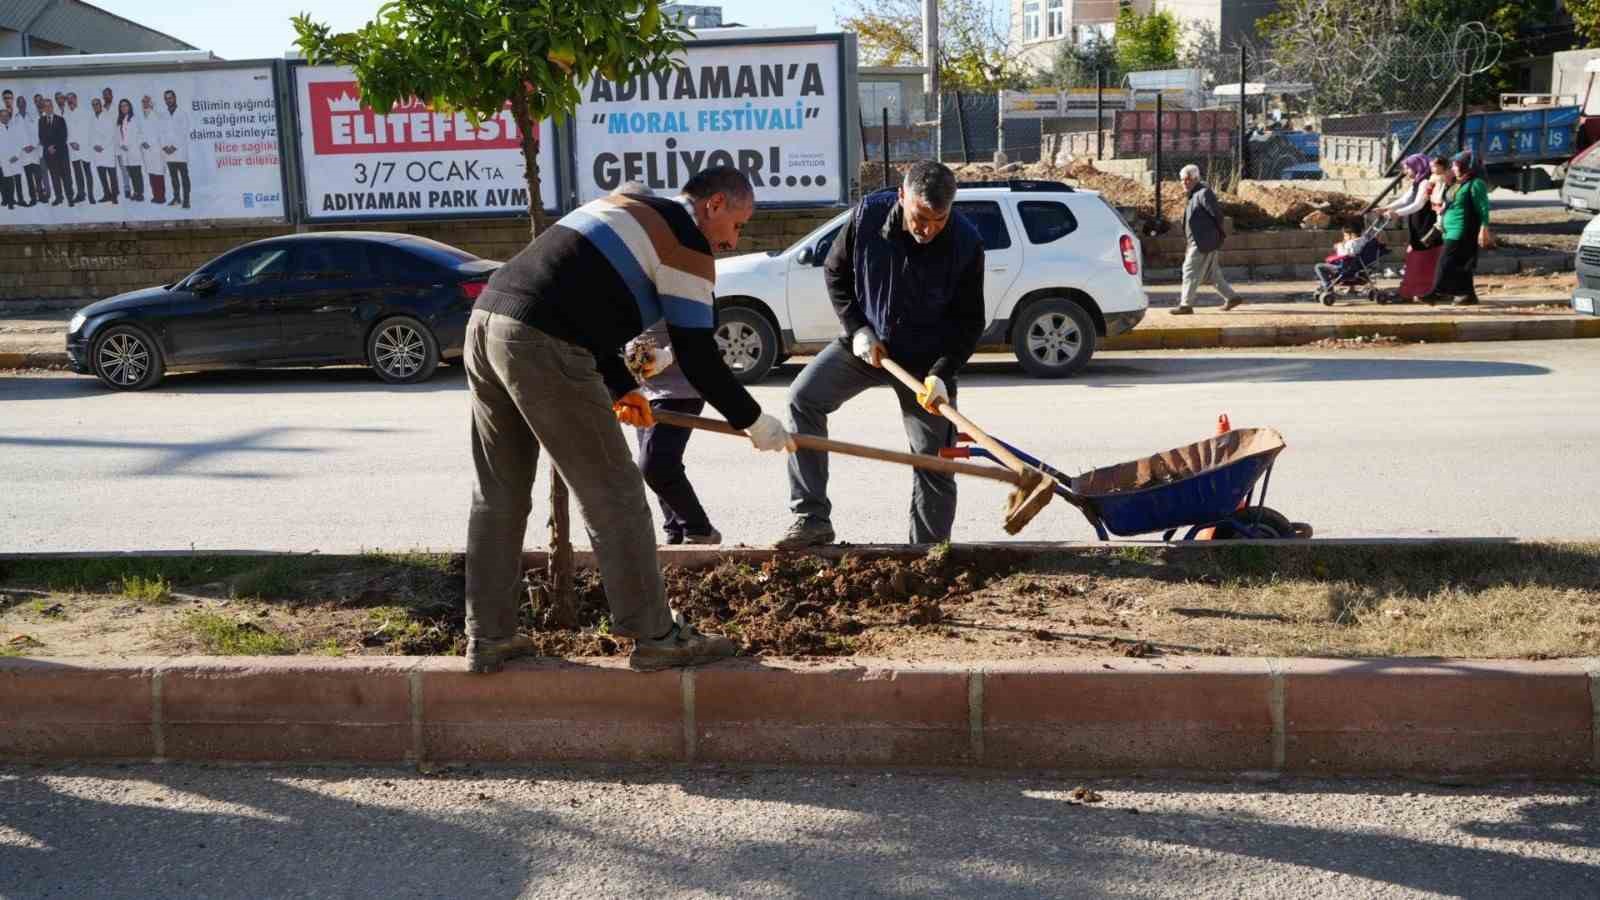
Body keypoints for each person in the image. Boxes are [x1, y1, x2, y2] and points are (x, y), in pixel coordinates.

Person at [463, 166, 794, 674]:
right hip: (541, 344)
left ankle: (488, 638)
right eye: (738, 224)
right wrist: (754, 420)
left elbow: (581, 298)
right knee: (615, 493)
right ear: (715, 205)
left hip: (488, 323)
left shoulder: (629, 208)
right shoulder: (685, 243)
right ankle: (656, 635)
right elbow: (697, 356)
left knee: (499, 492)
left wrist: (622, 386)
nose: (734, 241)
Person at [776, 160, 984, 549]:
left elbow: (970, 322)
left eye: (939, 221)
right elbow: (835, 272)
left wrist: (941, 372)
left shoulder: (966, 243)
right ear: (902, 196)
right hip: (870, 346)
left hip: (926, 366)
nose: (928, 230)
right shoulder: (868, 216)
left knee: (935, 459)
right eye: (921, 218)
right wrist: (857, 329)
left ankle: (927, 552)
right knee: (803, 399)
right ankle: (811, 520)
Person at [612, 182, 723, 546]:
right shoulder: (623, 261)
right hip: (646, 385)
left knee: (656, 464)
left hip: (682, 384)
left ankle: (699, 529)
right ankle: (676, 532)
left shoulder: (679, 252)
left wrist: (669, 355)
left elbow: (705, 320)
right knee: (656, 464)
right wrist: (630, 354)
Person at [1170, 163, 1243, 315]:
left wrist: (1212, 237)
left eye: (1187, 179)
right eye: (1182, 180)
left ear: (1195, 178)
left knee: (1189, 270)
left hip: (1202, 243)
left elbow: (1217, 216)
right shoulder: (1194, 195)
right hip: (1199, 242)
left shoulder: (1203, 193)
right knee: (1212, 275)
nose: (1184, 182)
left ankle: (1186, 305)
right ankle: (1232, 297)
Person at [1374, 153, 1442, 302]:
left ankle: (1413, 291)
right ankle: (1416, 290)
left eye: (1408, 168)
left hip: (1425, 222)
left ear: (1417, 167)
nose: (1406, 172)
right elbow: (1405, 199)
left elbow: (1418, 204)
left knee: (1420, 256)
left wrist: (1397, 214)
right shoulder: (1418, 181)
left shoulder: (1426, 182)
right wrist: (1386, 208)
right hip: (1417, 222)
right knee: (1418, 255)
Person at [1431, 149, 1493, 307]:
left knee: (1446, 261)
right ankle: (1467, 295)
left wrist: (1484, 228)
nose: (1453, 167)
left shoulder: (1475, 183)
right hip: (1450, 228)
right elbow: (1447, 201)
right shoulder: (1458, 183)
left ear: (1467, 166)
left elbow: (1483, 208)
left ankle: (1436, 292)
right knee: (1462, 263)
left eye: (1456, 165)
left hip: (1463, 228)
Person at [37, 97, 74, 208]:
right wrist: (48, 147)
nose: (48, 108)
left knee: (66, 177)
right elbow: (41, 136)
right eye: (45, 106)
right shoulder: (41, 120)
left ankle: (70, 198)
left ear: (53, 107)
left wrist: (54, 147)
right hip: (49, 154)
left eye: (50, 106)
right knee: (54, 177)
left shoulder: (60, 119)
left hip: (61, 153)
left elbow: (64, 136)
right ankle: (59, 197)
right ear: (43, 108)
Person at [1313, 223, 1371, 291]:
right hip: (1355, 266)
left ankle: (1327, 285)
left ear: (1352, 235)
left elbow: (1346, 255)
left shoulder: (1352, 243)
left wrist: (1339, 246)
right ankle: (1350, 288)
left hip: (1345, 267)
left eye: (1345, 235)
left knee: (1318, 266)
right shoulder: (1363, 240)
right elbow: (1364, 238)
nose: (1344, 238)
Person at [161, 89, 191, 209]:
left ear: (175, 98)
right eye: (166, 98)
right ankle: (177, 198)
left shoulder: (182, 114)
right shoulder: (163, 115)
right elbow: (161, 132)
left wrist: (174, 147)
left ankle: (186, 200)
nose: (169, 100)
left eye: (170, 98)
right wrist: (164, 147)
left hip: (180, 151)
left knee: (184, 177)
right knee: (173, 177)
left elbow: (184, 133)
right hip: (168, 152)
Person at [64, 92, 93, 204]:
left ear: (76, 99)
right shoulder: (65, 115)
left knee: (87, 171)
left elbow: (88, 130)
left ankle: (91, 195)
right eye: (68, 99)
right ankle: (81, 194)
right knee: (77, 172)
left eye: (72, 98)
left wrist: (81, 143)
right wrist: (71, 142)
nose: (70, 101)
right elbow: (65, 131)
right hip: (72, 147)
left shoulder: (85, 112)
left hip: (84, 146)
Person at [89, 97, 118, 205]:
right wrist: (94, 145)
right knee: (102, 175)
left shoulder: (108, 116)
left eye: (97, 104)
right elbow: (90, 134)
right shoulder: (92, 118)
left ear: (101, 105)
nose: (95, 106)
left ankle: (114, 196)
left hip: (107, 149)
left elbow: (111, 134)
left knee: (112, 176)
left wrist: (102, 146)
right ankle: (107, 194)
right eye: (93, 104)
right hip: (97, 151)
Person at [115, 98, 145, 202]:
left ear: (129, 107)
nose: (124, 107)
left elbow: (139, 134)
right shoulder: (121, 120)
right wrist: (122, 145)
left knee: (136, 172)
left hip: (134, 150)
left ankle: (140, 194)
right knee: (131, 173)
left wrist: (130, 145)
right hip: (125, 151)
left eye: (125, 105)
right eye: (122, 106)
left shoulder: (134, 119)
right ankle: (136, 192)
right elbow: (119, 136)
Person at [139, 95, 165, 204]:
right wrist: (142, 142)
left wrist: (149, 143)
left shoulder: (156, 116)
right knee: (151, 173)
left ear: (151, 103)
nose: (145, 103)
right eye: (143, 101)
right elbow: (139, 132)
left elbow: (159, 133)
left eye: (147, 101)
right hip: (146, 150)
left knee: (158, 173)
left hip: (155, 149)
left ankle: (161, 197)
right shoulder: (141, 116)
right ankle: (155, 195)